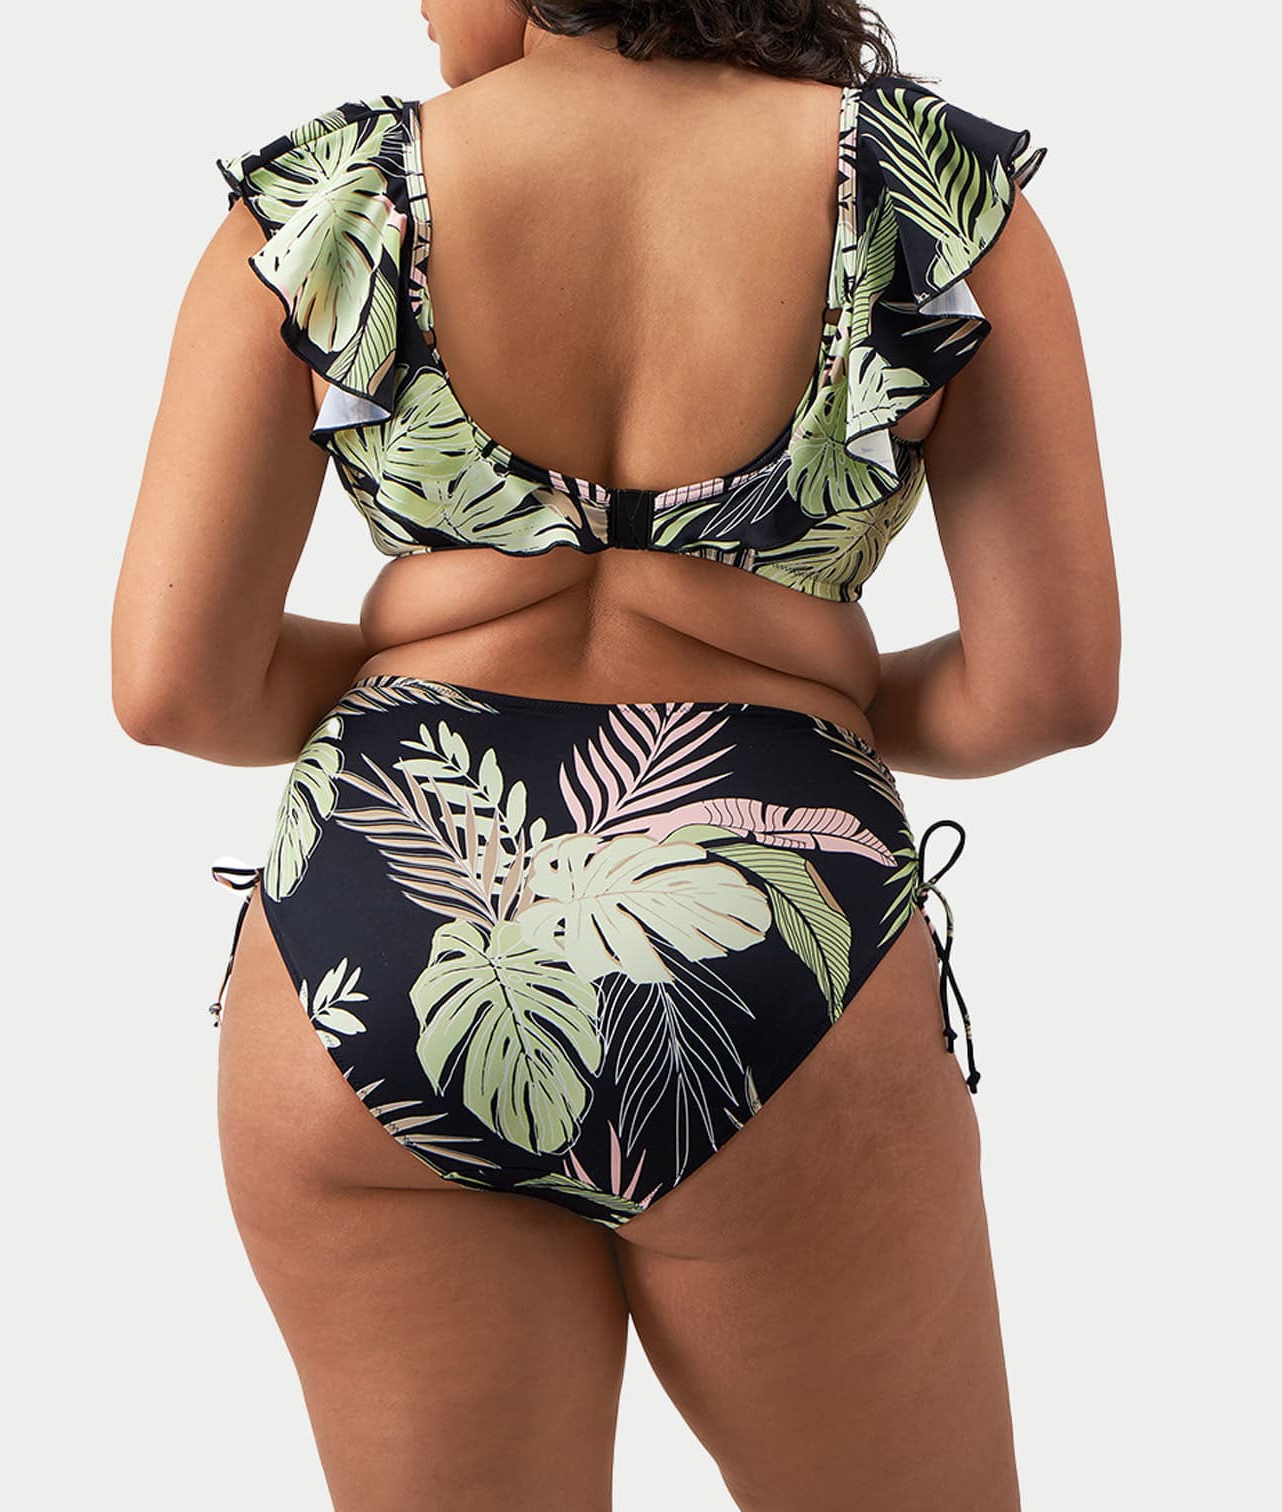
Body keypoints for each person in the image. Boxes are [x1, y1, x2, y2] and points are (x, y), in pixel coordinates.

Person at [112, 2, 1119, 1505]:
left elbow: (177, 690)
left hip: (377, 935)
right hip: (766, 935)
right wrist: (807, 695)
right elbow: (1047, 692)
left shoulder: (333, 198)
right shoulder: (929, 196)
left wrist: (425, 659)